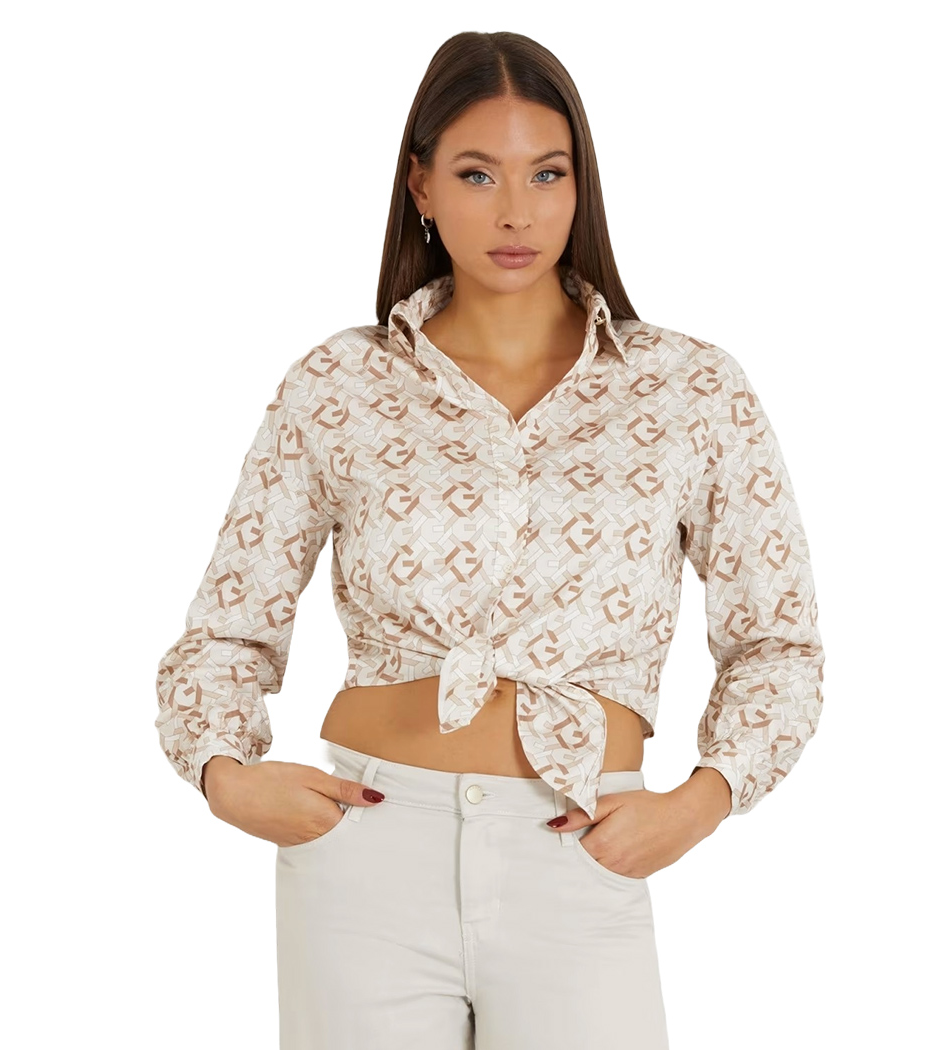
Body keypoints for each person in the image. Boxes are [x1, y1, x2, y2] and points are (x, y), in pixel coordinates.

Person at [155, 29, 825, 1050]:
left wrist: (700, 801)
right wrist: (226, 777)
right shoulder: (340, 384)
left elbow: (778, 642)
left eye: (547, 174)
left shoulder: (689, 389)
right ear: (420, 184)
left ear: (580, 185)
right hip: (365, 860)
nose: (517, 211)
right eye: (477, 174)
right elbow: (225, 630)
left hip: (583, 849)